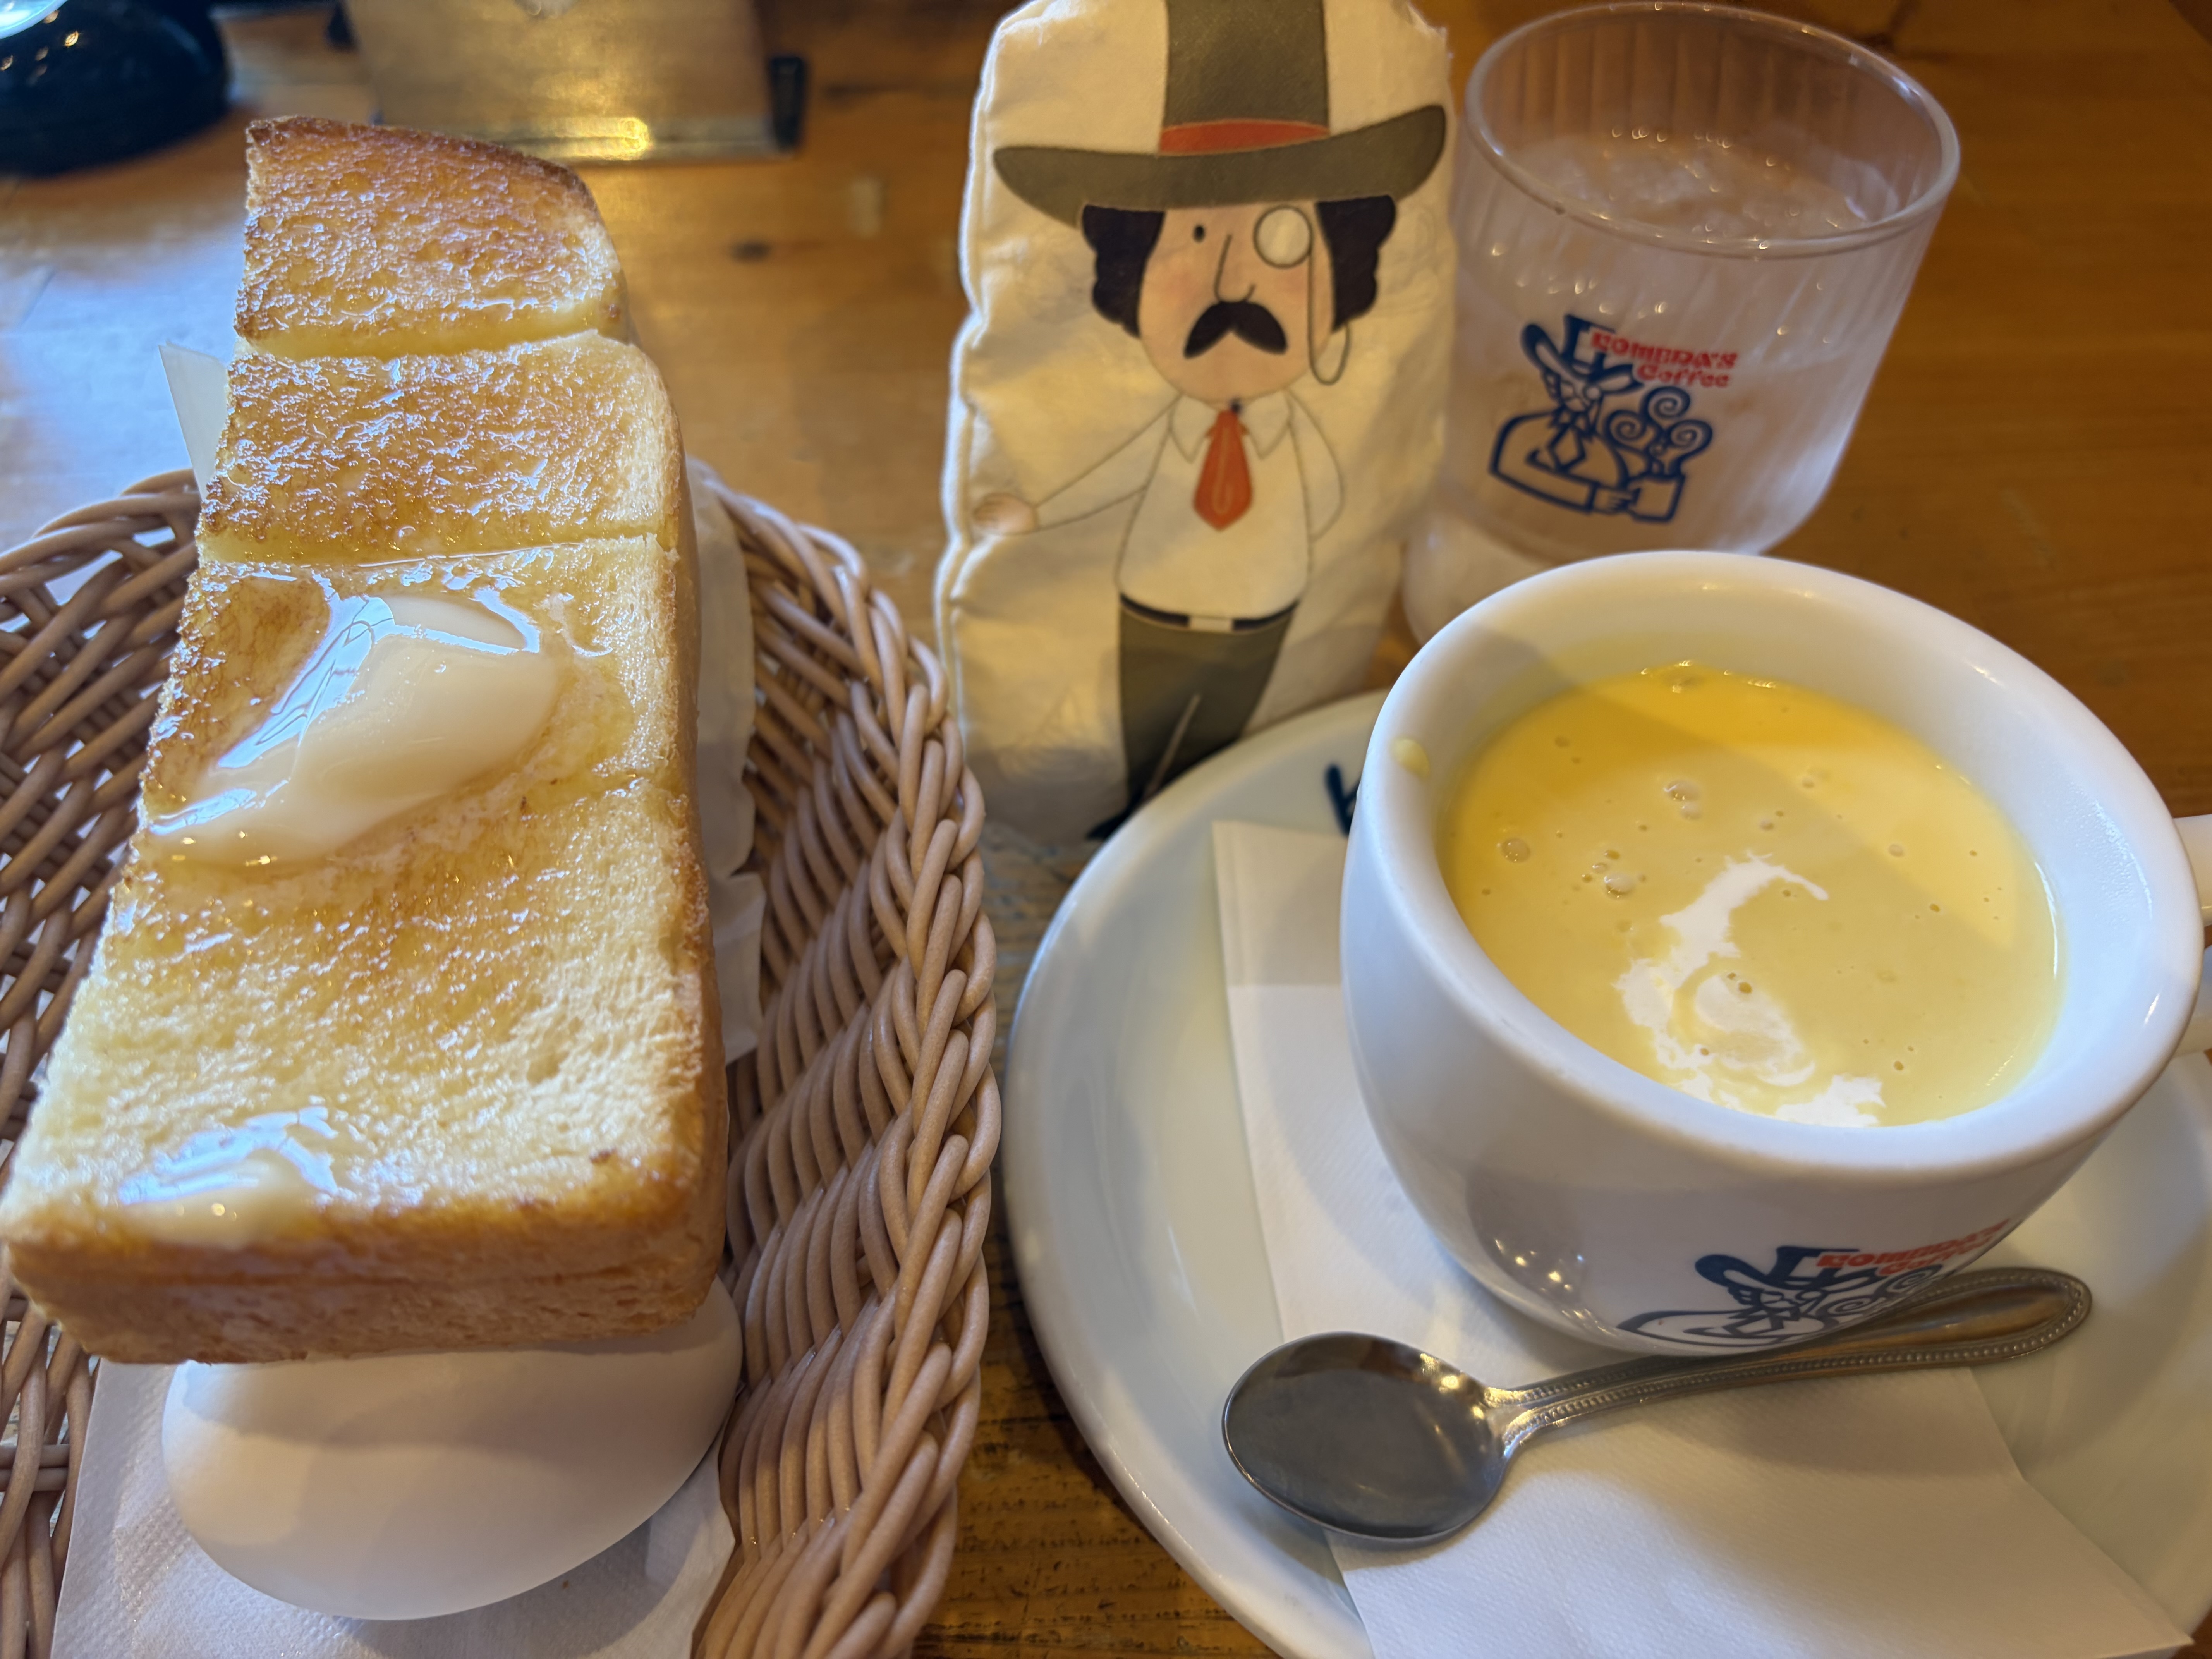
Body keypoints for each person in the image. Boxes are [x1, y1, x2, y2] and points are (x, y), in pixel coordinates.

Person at [977, 0, 1443, 822]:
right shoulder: (1170, 429)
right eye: (1193, 238)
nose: (1232, 281)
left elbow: (1340, 500)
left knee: (1232, 740)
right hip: (1150, 608)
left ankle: (1202, 817)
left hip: (1270, 616)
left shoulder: (1299, 435)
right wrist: (1037, 511)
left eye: (1282, 241)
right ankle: (1129, 818)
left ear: (1344, 270)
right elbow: (1109, 476)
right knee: (1139, 741)